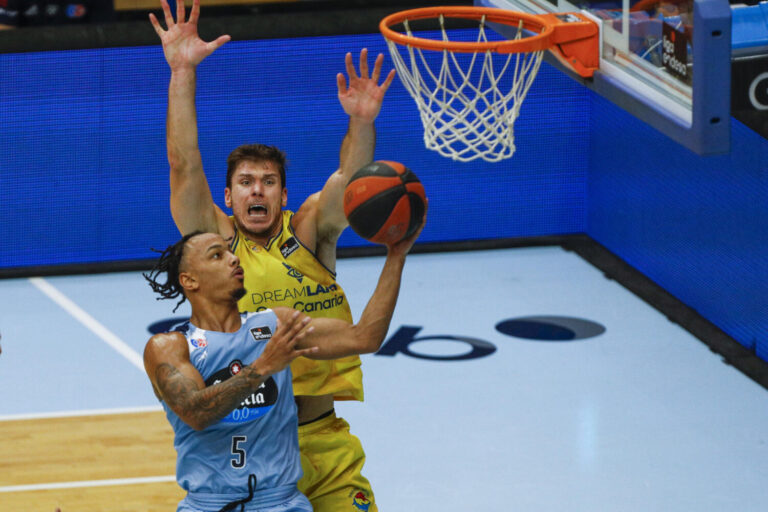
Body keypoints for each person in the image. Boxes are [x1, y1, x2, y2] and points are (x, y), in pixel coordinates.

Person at [149, 0, 396, 509]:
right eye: (245, 183)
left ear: (283, 195)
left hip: (321, 438)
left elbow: (352, 183)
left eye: (268, 182)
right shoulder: (212, 241)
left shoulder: (309, 229)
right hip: (250, 445)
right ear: (229, 195)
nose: (256, 191)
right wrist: (181, 72)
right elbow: (183, 163)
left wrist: (363, 122)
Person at [143, 227, 421, 512]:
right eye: (217, 255)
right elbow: (195, 413)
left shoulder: (275, 325)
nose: (234, 259)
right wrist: (263, 367)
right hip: (210, 505)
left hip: (281, 503)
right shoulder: (170, 347)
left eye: (230, 251)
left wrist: (396, 256)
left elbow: (364, 337)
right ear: (189, 280)